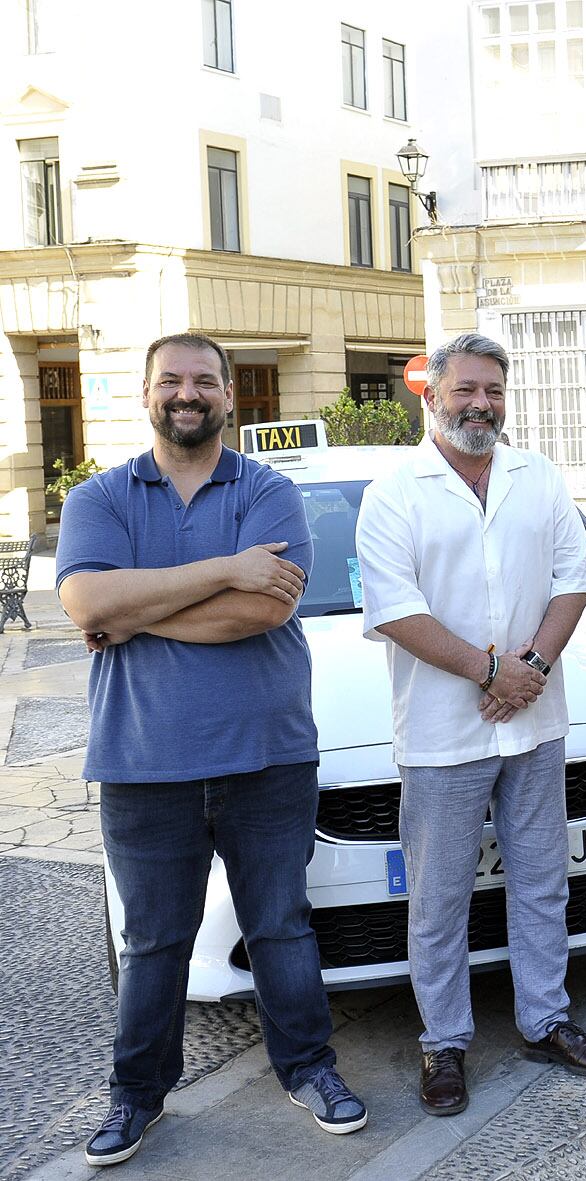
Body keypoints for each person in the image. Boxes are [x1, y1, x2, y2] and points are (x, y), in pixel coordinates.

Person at [57, 332, 366, 1167]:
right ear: (146, 394)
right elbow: (84, 595)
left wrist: (131, 612)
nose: (185, 394)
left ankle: (309, 1069)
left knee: (280, 926)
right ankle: (136, 1098)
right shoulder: (102, 498)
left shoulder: (268, 491)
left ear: (231, 396)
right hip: (141, 759)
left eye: (203, 381)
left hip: (266, 755)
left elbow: (262, 612)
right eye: (170, 381)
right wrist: (225, 568)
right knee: (154, 943)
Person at [355, 332, 586, 1118]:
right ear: (431, 396)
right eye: (466, 389)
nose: (481, 404)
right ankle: (445, 1042)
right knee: (439, 898)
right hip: (445, 731)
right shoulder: (395, 490)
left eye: (494, 391)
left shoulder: (539, 477)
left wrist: (530, 666)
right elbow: (395, 609)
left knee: (542, 881)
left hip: (534, 723)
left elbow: (573, 583)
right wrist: (488, 668)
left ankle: (545, 1018)